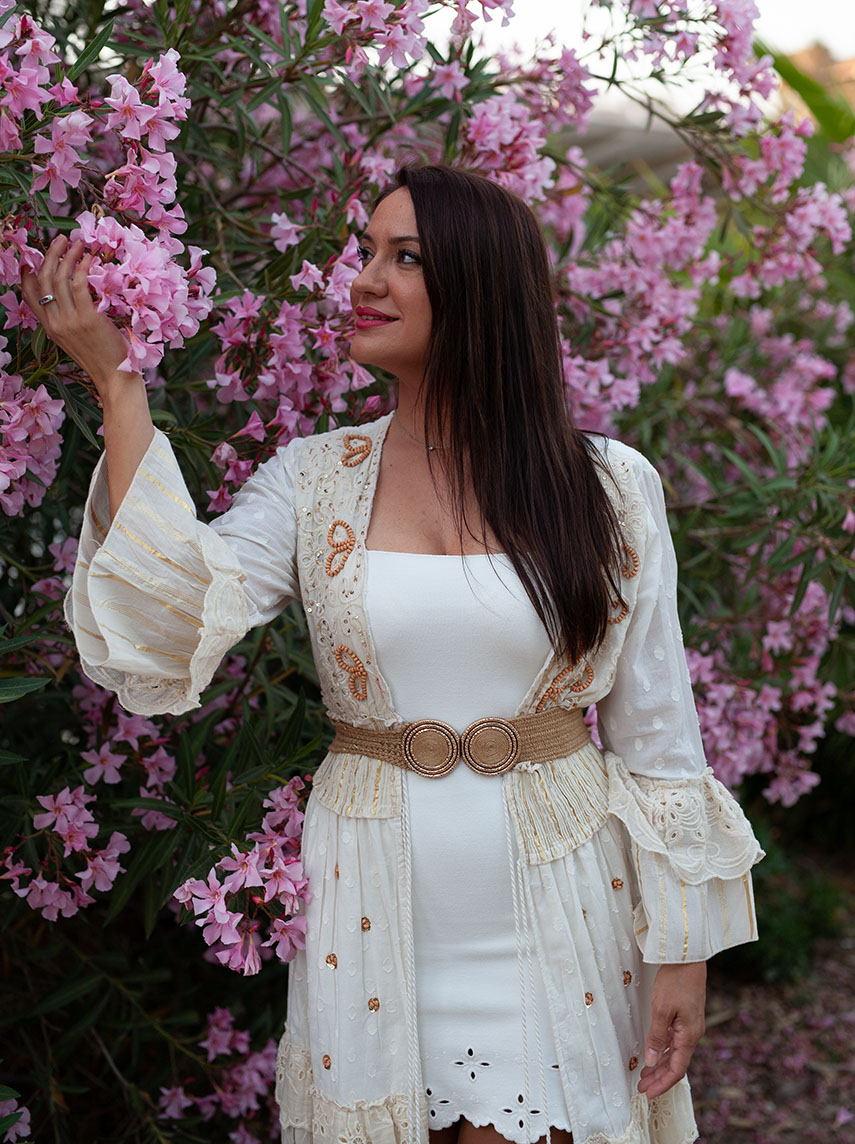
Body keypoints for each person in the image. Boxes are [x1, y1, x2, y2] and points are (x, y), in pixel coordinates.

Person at [22, 163, 764, 1144]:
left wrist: (684, 948)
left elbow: (658, 732)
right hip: (370, 917)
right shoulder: (314, 479)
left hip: (562, 909)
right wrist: (118, 387)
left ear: (482, 287)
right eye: (365, 252)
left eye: (403, 257)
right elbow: (170, 621)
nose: (364, 278)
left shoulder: (609, 484)